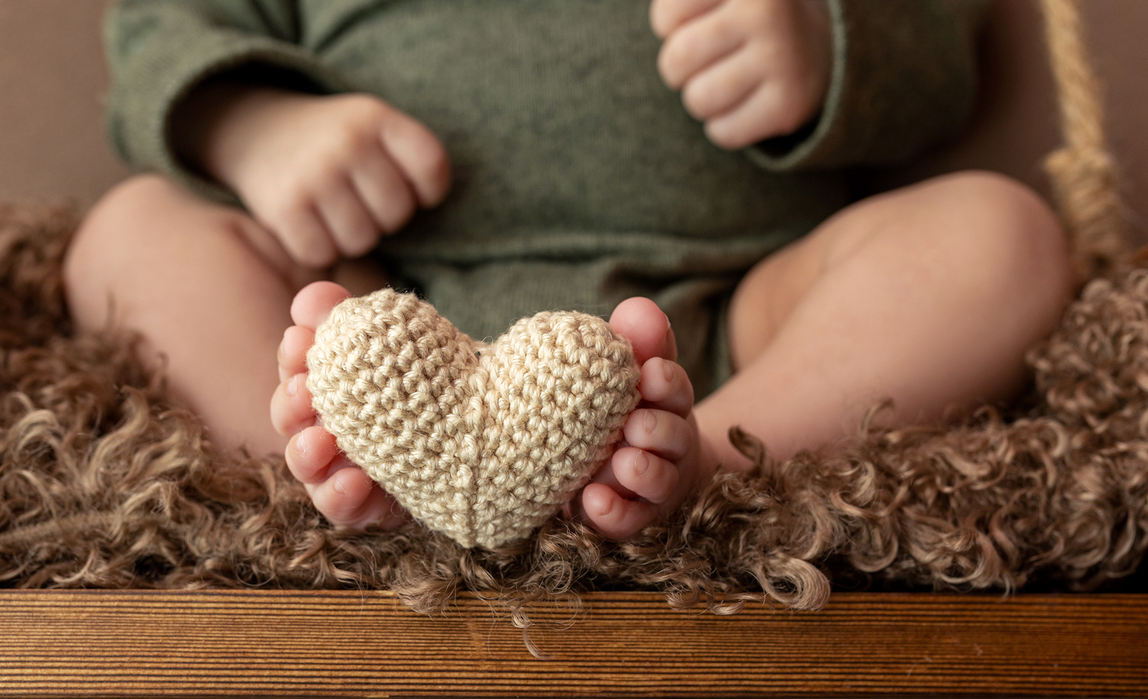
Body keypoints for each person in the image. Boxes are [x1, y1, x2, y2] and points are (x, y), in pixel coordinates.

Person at [65, 0, 1077, 542]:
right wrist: (253, 125)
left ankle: (707, 465)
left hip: (739, 318)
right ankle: (324, 472)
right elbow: (162, 28)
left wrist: (820, 38)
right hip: (375, 320)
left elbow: (943, 41)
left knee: (999, 233)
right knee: (133, 233)